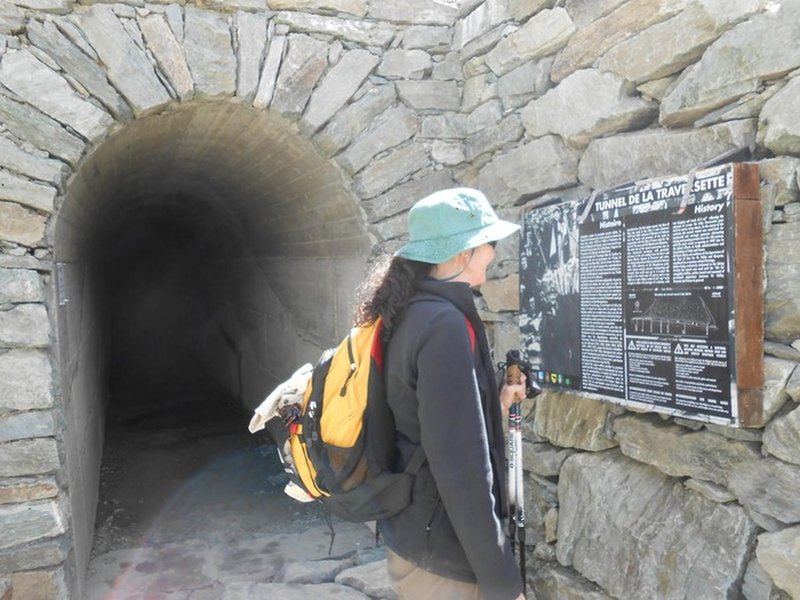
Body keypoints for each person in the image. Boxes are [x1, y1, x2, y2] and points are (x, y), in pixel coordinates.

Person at [353, 188, 528, 600]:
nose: (493, 252)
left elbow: (421, 421)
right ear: (463, 252)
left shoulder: (407, 311)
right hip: (444, 555)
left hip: (414, 533)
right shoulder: (443, 326)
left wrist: (494, 404)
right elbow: (461, 468)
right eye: (489, 243)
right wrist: (502, 581)